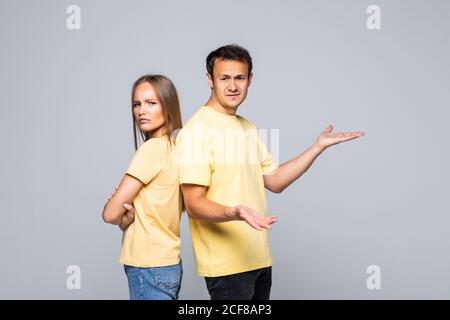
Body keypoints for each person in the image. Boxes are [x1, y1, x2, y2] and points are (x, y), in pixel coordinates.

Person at [176, 44, 365, 300]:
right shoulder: (196, 131)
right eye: (224, 78)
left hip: (259, 259)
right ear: (210, 79)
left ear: (250, 80)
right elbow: (194, 204)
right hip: (227, 267)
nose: (233, 86)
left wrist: (316, 148)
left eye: (240, 77)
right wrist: (234, 211)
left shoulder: (246, 127)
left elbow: (274, 181)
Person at [102, 74, 183, 300]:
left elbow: (109, 214)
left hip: (147, 265)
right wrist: (126, 219)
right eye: (136, 104)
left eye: (151, 103)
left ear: (168, 106)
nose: (141, 111)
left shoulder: (151, 150)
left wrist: (119, 214)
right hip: (169, 263)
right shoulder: (177, 148)